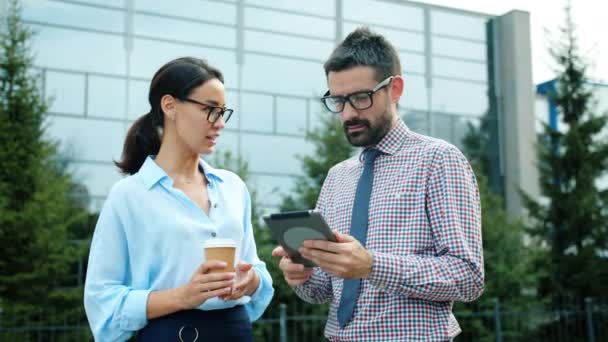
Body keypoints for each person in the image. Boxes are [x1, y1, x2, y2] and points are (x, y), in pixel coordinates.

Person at [272, 27, 484, 341]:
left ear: (395, 89)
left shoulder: (438, 160)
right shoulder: (337, 177)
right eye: (338, 100)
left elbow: (468, 277)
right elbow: (322, 291)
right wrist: (302, 276)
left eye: (360, 98)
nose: (347, 114)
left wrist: (372, 265)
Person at [84, 57, 273, 341]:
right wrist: (183, 296)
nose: (219, 123)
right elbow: (102, 298)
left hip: (236, 332)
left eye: (223, 112)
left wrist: (251, 280)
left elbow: (256, 270)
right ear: (170, 106)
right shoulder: (129, 196)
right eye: (210, 110)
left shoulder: (233, 188)